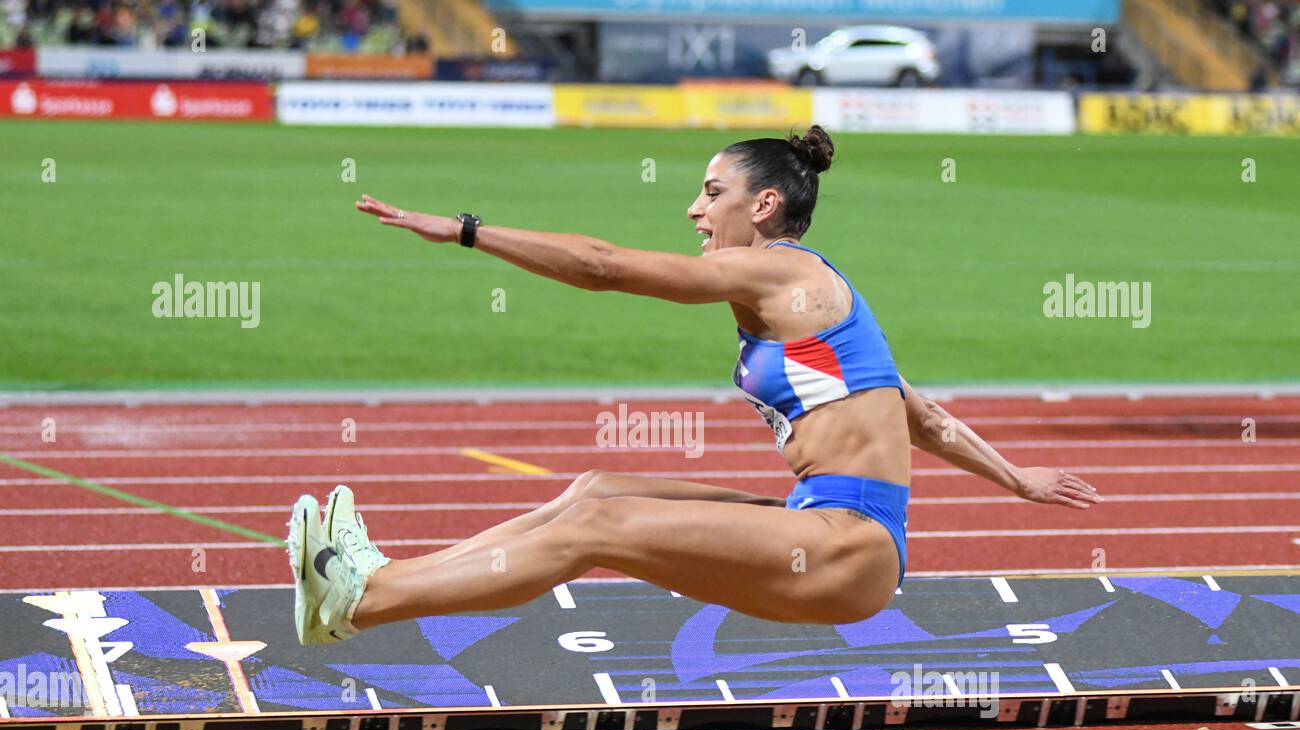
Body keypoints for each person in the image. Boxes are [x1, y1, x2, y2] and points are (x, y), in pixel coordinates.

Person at [286, 126, 1101, 646]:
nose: (694, 210)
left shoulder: (788, 281)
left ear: (766, 203)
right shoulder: (805, 296)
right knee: (596, 488)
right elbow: (918, 413)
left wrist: (467, 230)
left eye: (712, 194)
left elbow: (605, 267)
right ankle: (375, 572)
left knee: (598, 526)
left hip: (848, 548)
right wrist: (1017, 478)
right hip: (820, 527)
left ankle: (366, 597)